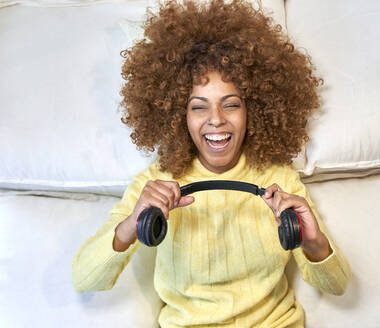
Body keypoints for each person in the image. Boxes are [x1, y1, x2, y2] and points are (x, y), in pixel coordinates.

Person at [72, 0, 351, 327]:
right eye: (198, 107)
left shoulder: (280, 180)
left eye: (230, 104)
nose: (216, 120)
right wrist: (132, 223)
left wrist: (314, 239)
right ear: (178, 115)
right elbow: (84, 279)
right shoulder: (155, 184)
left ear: (254, 109)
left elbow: (338, 285)